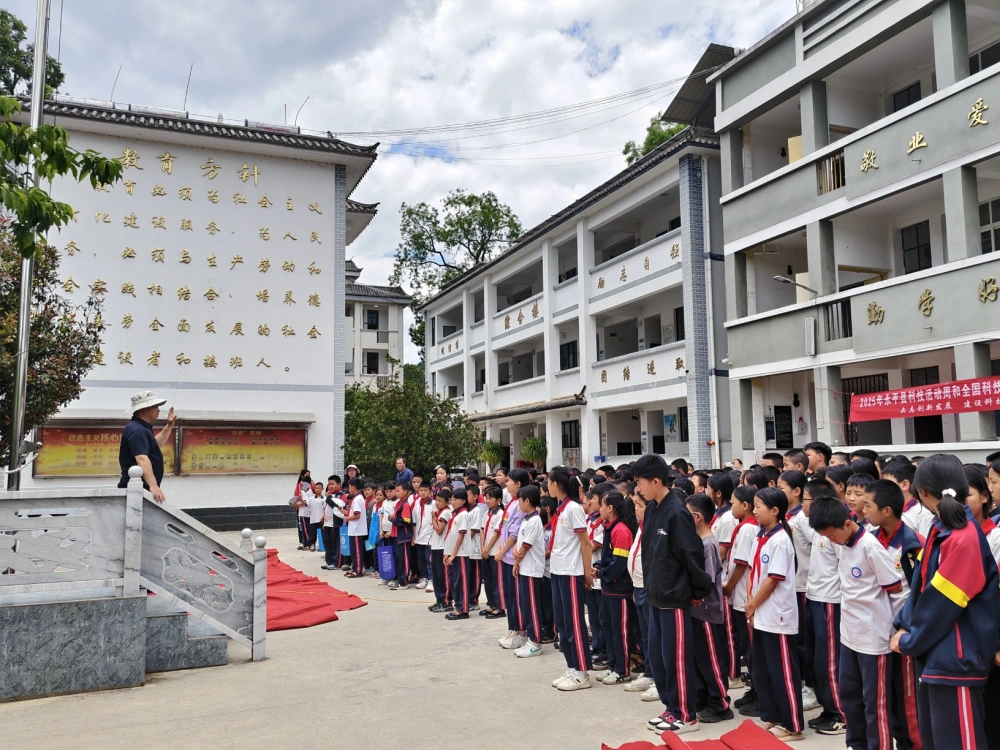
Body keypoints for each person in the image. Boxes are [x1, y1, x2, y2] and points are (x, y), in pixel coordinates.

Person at [891, 454, 1000, 750]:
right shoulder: (942, 529)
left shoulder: (963, 537)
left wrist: (911, 639)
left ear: (922, 493)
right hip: (938, 651)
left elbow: (943, 602)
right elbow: (921, 587)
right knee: (937, 740)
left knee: (958, 742)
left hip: (956, 658)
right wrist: (903, 626)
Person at [811, 494, 902, 750]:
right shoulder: (842, 544)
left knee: (875, 704)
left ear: (848, 523)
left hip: (874, 638)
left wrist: (898, 628)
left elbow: (895, 589)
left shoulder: (870, 547)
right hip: (849, 634)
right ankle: (855, 744)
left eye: (833, 536)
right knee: (850, 697)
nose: (832, 542)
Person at [635, 454, 713, 736]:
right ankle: (671, 707)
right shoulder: (654, 508)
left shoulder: (677, 512)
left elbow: (692, 555)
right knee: (659, 656)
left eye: (641, 483)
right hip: (655, 594)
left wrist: (697, 591)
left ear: (656, 481)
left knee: (676, 657)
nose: (638, 489)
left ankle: (686, 715)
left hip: (674, 596)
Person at [864, 479, 922, 750]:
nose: (863, 511)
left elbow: (919, 591)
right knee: (888, 697)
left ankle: (914, 744)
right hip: (879, 631)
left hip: (904, 633)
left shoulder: (912, 543)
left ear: (886, 510)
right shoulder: (872, 539)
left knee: (909, 697)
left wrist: (908, 626)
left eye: (868, 505)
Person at [745, 487, 803, 742]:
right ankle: (771, 715)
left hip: (777, 615)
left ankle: (792, 724)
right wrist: (752, 604)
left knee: (783, 671)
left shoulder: (780, 539)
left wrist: (752, 604)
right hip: (762, 614)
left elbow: (772, 580)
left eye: (758, 506)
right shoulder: (763, 536)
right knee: (764, 668)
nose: (754, 511)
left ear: (775, 510)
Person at [802, 478, 847, 736]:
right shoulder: (818, 529)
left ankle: (841, 713)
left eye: (806, 500)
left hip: (831, 601)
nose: (802, 506)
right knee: (819, 660)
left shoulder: (834, 532)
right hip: (817, 598)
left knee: (830, 661)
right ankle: (829, 708)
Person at [686, 493, 733, 724]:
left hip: (706, 609)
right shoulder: (697, 541)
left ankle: (720, 703)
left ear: (697, 517)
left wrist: (696, 595)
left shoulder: (709, 544)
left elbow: (706, 580)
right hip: (695, 609)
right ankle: (702, 697)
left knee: (712, 658)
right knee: (698, 657)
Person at [547, 467, 595, 692]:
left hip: (571, 572)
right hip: (558, 570)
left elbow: (585, 543)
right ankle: (572, 666)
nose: (547, 485)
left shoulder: (574, 508)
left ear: (556, 484)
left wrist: (587, 573)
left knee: (574, 623)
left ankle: (582, 672)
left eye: (548, 481)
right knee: (563, 623)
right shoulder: (562, 507)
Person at [778, 469, 817, 712]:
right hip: (792, 585)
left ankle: (808, 688)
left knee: (804, 640)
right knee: (796, 638)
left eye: (782, 488)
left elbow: (820, 548)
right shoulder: (787, 516)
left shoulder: (803, 518)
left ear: (797, 492)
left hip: (805, 584)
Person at [595, 490, 637, 685]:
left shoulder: (620, 530)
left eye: (602, 505)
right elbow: (610, 559)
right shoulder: (610, 528)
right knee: (610, 627)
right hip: (609, 588)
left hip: (619, 589)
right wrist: (601, 567)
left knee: (620, 631)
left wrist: (602, 573)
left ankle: (623, 669)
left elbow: (620, 563)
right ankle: (613, 665)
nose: (599, 508)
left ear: (610, 508)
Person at [725, 485, 760, 717]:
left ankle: (759, 693)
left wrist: (728, 586)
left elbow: (741, 563)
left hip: (742, 596)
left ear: (745, 506)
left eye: (734, 503)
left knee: (751, 649)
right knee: (747, 648)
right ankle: (754, 690)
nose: (731, 507)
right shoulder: (743, 526)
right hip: (738, 597)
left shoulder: (748, 529)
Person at [119, 390, 175, 503]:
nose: (158, 410)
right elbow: (142, 459)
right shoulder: (137, 430)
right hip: (137, 492)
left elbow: (155, 445)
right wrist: (153, 486)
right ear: (144, 410)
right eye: (155, 406)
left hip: (141, 490)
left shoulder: (141, 427)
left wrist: (169, 426)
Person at [497, 469, 530, 649]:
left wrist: (502, 550)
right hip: (506, 556)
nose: (506, 483)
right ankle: (512, 628)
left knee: (518, 598)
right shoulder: (511, 503)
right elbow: (504, 527)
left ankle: (520, 632)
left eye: (509, 481)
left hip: (513, 556)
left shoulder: (522, 505)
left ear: (518, 484)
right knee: (510, 597)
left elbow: (515, 533)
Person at [512, 485, 545, 658]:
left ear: (527, 501)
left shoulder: (534, 520)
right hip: (524, 567)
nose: (518, 503)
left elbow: (526, 546)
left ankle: (536, 641)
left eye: (520, 500)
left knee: (532, 606)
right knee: (525, 604)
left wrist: (517, 559)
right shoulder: (526, 519)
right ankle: (530, 638)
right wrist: (516, 562)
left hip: (532, 569)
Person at [882, 460, 933, 538]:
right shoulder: (887, 509)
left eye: (888, 483)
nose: (883, 487)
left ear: (905, 484)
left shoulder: (921, 513)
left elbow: (925, 545)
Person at [444, 487, 472, 621]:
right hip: (453, 554)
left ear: (464, 501)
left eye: (456, 499)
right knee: (454, 581)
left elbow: (461, 536)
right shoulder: (455, 515)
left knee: (461, 582)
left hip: (460, 554)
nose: (453, 502)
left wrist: (453, 554)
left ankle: (463, 609)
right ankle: (458, 607)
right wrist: (447, 553)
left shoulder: (464, 515)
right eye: (452, 499)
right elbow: (450, 536)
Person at [480, 485, 505, 619]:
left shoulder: (500, 514)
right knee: (488, 580)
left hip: (494, 552)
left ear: (499, 500)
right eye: (486, 497)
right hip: (485, 552)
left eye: (490, 498)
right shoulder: (486, 513)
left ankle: (500, 606)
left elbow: (496, 534)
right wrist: (482, 548)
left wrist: (488, 549)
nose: (487, 500)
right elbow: (482, 530)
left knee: (497, 580)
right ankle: (492, 604)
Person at [428, 488, 453, 613]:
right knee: (436, 576)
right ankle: (439, 600)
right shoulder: (439, 512)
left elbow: (439, 530)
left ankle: (446, 601)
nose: (437, 503)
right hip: (436, 547)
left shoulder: (446, 513)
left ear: (447, 502)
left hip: (443, 547)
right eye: (436, 500)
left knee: (443, 576)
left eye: (440, 501)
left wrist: (433, 519)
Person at [388, 481, 414, 591]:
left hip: (403, 537)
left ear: (405, 491)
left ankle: (404, 582)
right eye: (396, 491)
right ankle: (399, 579)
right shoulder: (399, 503)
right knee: (398, 559)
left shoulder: (406, 504)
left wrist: (393, 519)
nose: (396, 493)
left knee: (404, 560)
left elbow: (406, 520)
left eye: (398, 491)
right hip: (396, 535)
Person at [412, 481, 435, 590]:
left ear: (431, 491)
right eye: (421, 490)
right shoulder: (417, 505)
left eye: (425, 490)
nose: (423, 492)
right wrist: (414, 536)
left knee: (429, 559)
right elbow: (415, 522)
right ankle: (424, 577)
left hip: (430, 537)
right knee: (420, 559)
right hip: (419, 537)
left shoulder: (434, 504)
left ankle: (431, 579)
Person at [344, 477, 368, 578]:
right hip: (354, 529)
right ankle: (354, 568)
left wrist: (347, 518)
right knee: (353, 551)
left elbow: (357, 515)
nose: (349, 489)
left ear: (353, 487)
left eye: (349, 486)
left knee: (357, 551)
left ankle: (358, 570)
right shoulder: (356, 498)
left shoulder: (358, 499)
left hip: (357, 529)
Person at [320, 475, 345, 571]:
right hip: (327, 524)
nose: (330, 486)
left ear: (339, 485)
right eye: (329, 484)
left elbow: (338, 507)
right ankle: (329, 561)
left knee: (335, 545)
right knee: (327, 544)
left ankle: (336, 562)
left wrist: (329, 498)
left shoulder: (341, 496)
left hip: (335, 525)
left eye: (332, 484)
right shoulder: (328, 496)